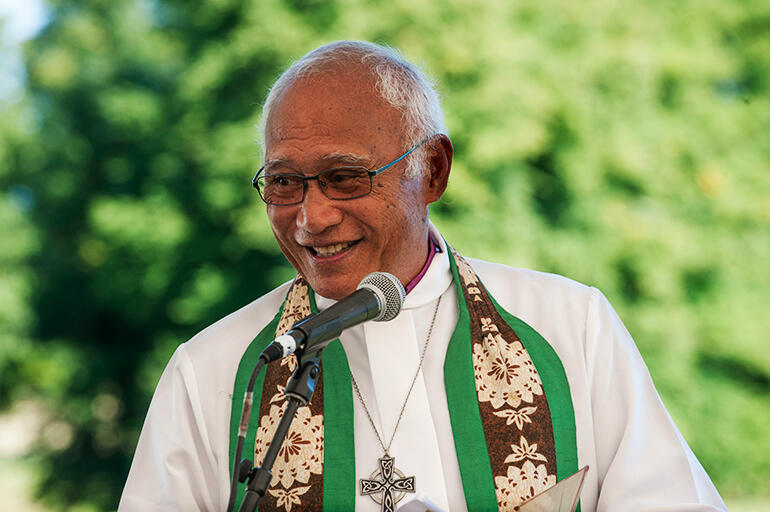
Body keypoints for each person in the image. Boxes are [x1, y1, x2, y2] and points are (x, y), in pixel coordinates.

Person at [119, 41, 727, 512]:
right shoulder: (215, 373)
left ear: (431, 170)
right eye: (283, 182)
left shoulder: (572, 328)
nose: (310, 217)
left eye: (345, 176)